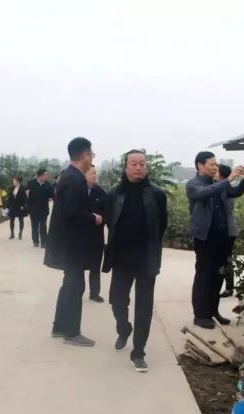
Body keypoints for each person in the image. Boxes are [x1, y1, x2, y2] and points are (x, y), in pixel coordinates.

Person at [103, 150, 167, 372]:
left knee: (144, 307)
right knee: (116, 301)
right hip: (121, 258)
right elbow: (109, 223)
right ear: (126, 167)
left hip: (146, 259)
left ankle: (138, 352)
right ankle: (123, 328)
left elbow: (162, 225)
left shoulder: (157, 195)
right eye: (134, 164)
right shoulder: (114, 194)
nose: (139, 167)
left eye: (142, 164)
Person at [45, 137, 101, 347]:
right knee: (75, 286)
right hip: (72, 244)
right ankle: (72, 332)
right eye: (91, 154)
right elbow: (71, 213)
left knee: (69, 284)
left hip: (70, 243)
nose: (91, 158)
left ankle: (59, 327)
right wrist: (93, 217)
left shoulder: (70, 176)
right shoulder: (74, 179)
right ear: (84, 154)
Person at [187, 152, 244, 330]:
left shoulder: (218, 184)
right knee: (204, 276)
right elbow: (204, 193)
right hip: (205, 238)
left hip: (223, 237)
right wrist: (227, 179)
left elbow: (234, 192)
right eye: (211, 164)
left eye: (216, 164)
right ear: (200, 165)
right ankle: (200, 315)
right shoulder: (193, 184)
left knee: (218, 275)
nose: (215, 167)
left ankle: (212, 311)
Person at [217, 164, 239, 298]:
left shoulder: (225, 189)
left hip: (228, 230)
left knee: (226, 259)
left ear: (221, 176)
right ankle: (228, 286)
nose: (214, 173)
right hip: (229, 228)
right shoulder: (224, 187)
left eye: (216, 172)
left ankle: (229, 287)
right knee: (225, 258)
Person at [85, 165, 106, 302]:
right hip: (80, 236)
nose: (95, 175)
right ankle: (76, 290)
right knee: (77, 266)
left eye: (95, 173)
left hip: (96, 234)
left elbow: (106, 211)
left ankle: (94, 292)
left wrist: (102, 219)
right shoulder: (78, 191)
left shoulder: (100, 192)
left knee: (95, 265)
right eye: (92, 173)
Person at [26, 168, 55, 247]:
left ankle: (44, 242)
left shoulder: (48, 184)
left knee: (43, 226)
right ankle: (35, 241)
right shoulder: (31, 183)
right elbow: (26, 194)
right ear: (40, 175)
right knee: (34, 226)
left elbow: (53, 195)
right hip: (33, 209)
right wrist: (27, 195)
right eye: (46, 174)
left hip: (43, 209)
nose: (47, 176)